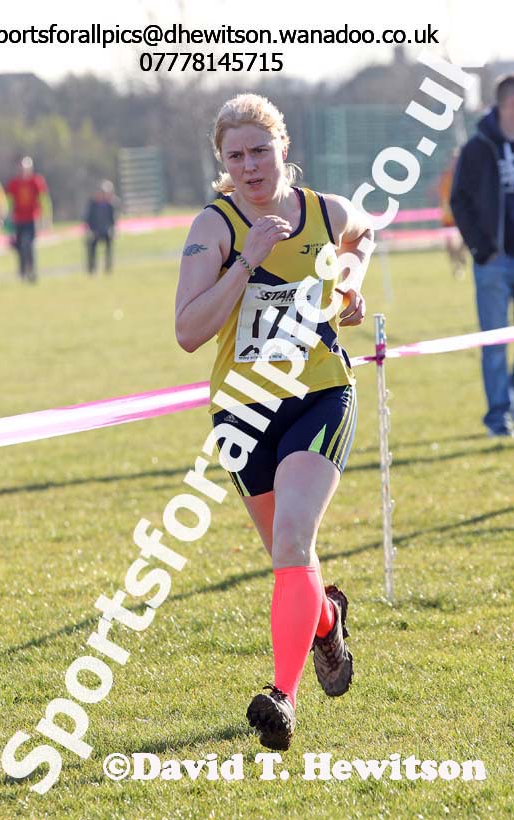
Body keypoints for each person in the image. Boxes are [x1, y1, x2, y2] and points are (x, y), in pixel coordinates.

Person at [175, 93, 373, 751]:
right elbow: (188, 332)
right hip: (243, 406)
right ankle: (325, 622)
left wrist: (348, 282)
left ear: (282, 147)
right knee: (290, 559)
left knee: (292, 540)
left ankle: (281, 699)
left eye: (260, 150)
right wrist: (244, 263)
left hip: (319, 392)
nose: (251, 166)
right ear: (222, 163)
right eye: (236, 156)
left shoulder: (323, 210)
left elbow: (360, 234)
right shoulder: (216, 226)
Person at [451, 75, 514, 437]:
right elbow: (459, 200)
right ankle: (497, 419)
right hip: (494, 263)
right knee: (494, 344)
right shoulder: (478, 147)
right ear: (507, 106)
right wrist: (481, 248)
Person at [5, 156, 52, 282]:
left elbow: (43, 200)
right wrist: (8, 218)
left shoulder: (36, 181)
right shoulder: (13, 183)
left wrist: (46, 217)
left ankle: (32, 270)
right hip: (18, 219)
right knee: (20, 246)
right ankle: (22, 272)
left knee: (29, 245)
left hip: (32, 218)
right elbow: (9, 202)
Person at [438, 150, 466, 279]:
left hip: (463, 216)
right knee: (450, 246)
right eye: (453, 159)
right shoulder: (445, 177)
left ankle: (461, 259)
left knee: (465, 242)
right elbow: (443, 197)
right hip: (448, 217)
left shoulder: (465, 174)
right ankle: (456, 267)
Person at [85, 180, 116, 274]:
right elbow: (88, 218)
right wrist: (90, 230)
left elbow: (113, 219)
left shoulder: (110, 204)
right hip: (95, 231)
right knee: (91, 247)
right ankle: (92, 268)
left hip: (106, 231)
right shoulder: (93, 204)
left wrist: (112, 229)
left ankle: (108, 267)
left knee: (109, 247)